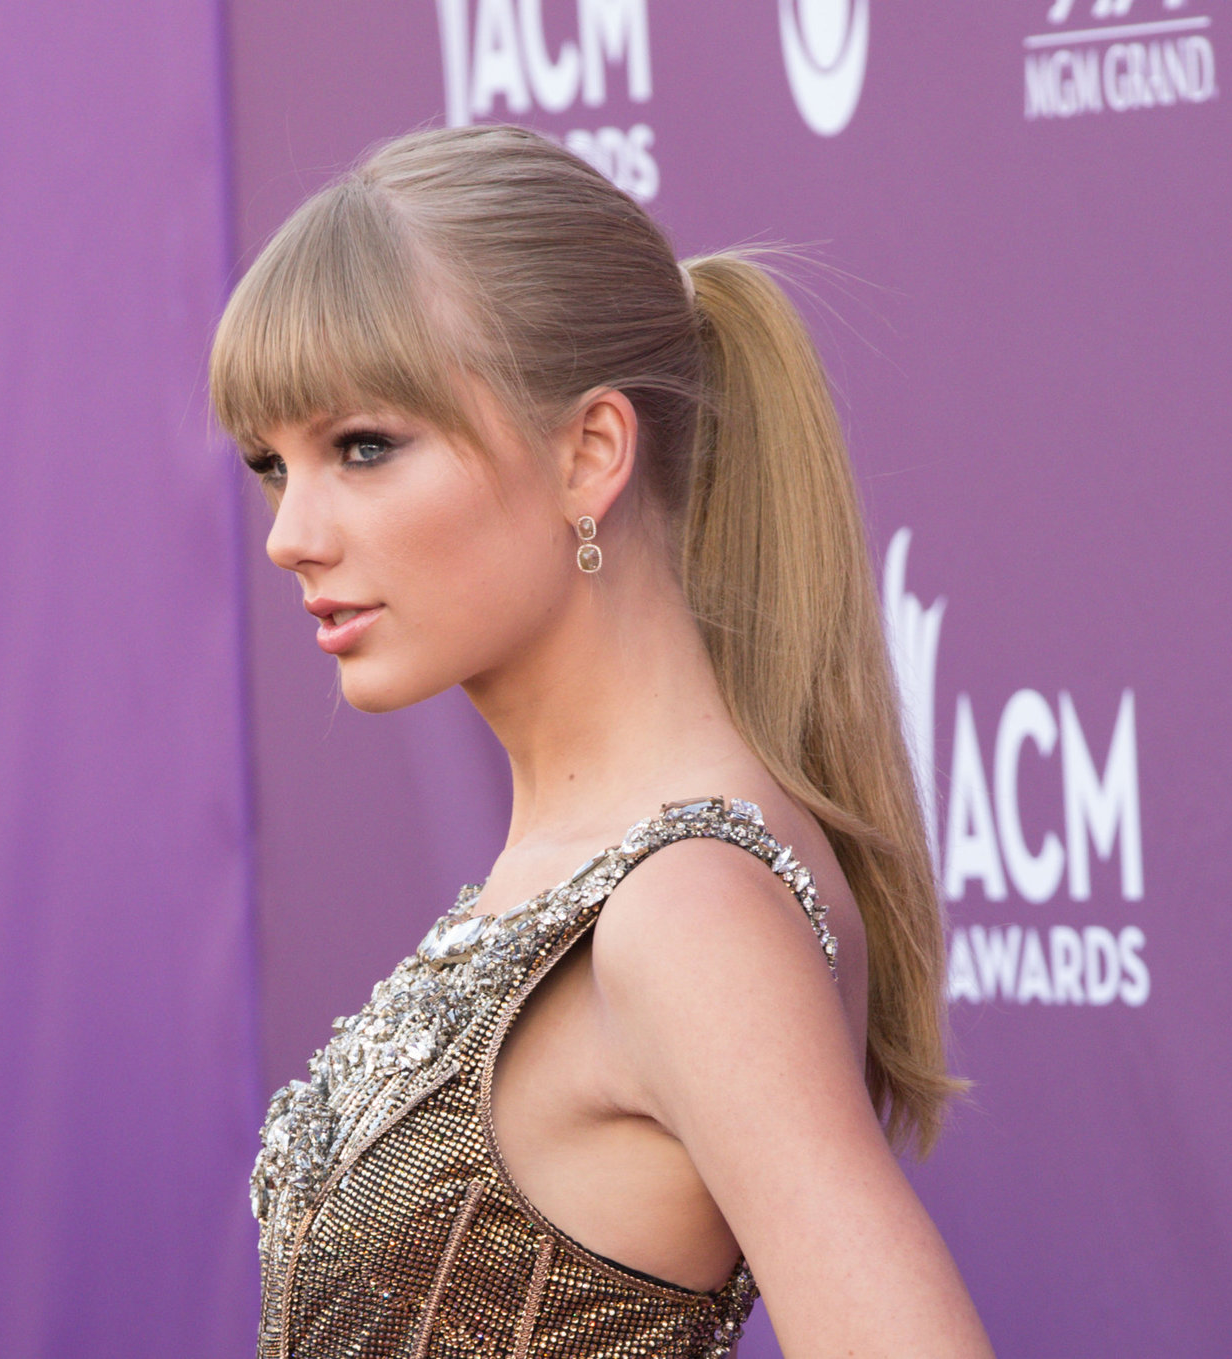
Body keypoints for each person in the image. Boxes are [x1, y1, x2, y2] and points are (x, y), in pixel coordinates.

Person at [210, 124, 994, 1359]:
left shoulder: (688, 910)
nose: (289, 535)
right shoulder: (595, 863)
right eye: (272, 464)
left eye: (363, 447)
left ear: (590, 453)